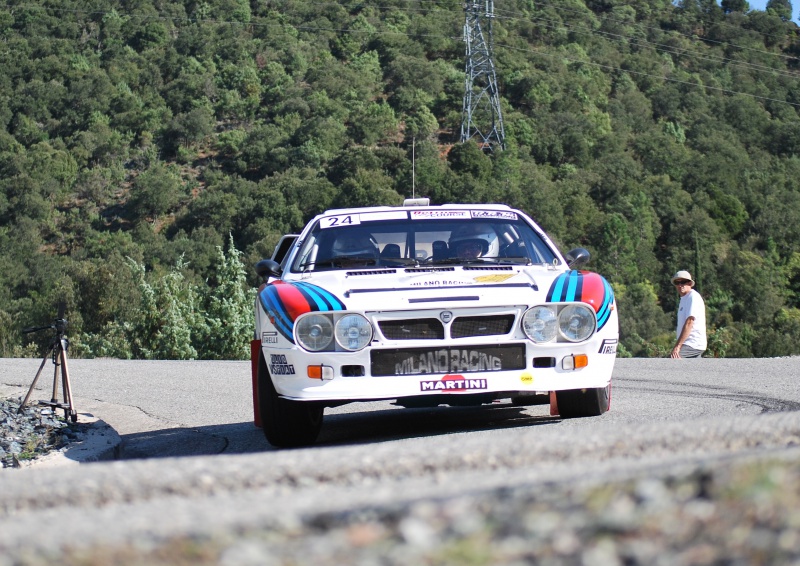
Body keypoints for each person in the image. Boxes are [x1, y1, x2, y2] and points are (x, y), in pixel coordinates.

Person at [670, 270, 706, 359]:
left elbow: (689, 322)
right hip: (690, 343)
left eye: (683, 282)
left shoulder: (692, 297)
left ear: (690, 283)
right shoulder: (684, 299)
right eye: (677, 282)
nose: (679, 285)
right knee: (693, 371)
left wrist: (678, 347)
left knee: (671, 361)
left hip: (692, 343)